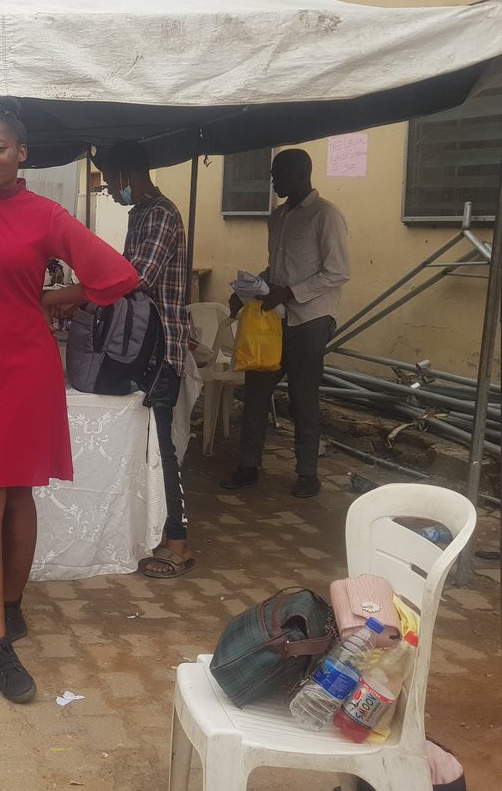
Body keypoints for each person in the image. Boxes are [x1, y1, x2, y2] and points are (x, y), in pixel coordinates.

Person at [0, 98, 139, 703]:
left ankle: (10, 610)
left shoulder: (47, 215)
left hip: (24, 366)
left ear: (21, 154)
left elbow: (116, 276)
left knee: (17, 488)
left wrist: (47, 301)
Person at [221, 148, 350, 499]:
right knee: (255, 393)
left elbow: (338, 271)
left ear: (300, 174)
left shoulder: (326, 215)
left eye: (278, 175)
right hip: (273, 320)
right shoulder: (277, 217)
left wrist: (290, 293)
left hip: (311, 319)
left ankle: (307, 473)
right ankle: (248, 465)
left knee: (303, 398)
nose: (273, 182)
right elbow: (276, 270)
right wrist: (247, 291)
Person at [96, 140, 194, 578]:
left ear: (126, 174)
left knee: (162, 446)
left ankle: (179, 541)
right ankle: (151, 529)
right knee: (145, 443)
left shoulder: (161, 214)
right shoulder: (140, 214)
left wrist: (86, 288)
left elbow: (138, 276)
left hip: (161, 347)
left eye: (109, 182)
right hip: (140, 345)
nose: (109, 190)